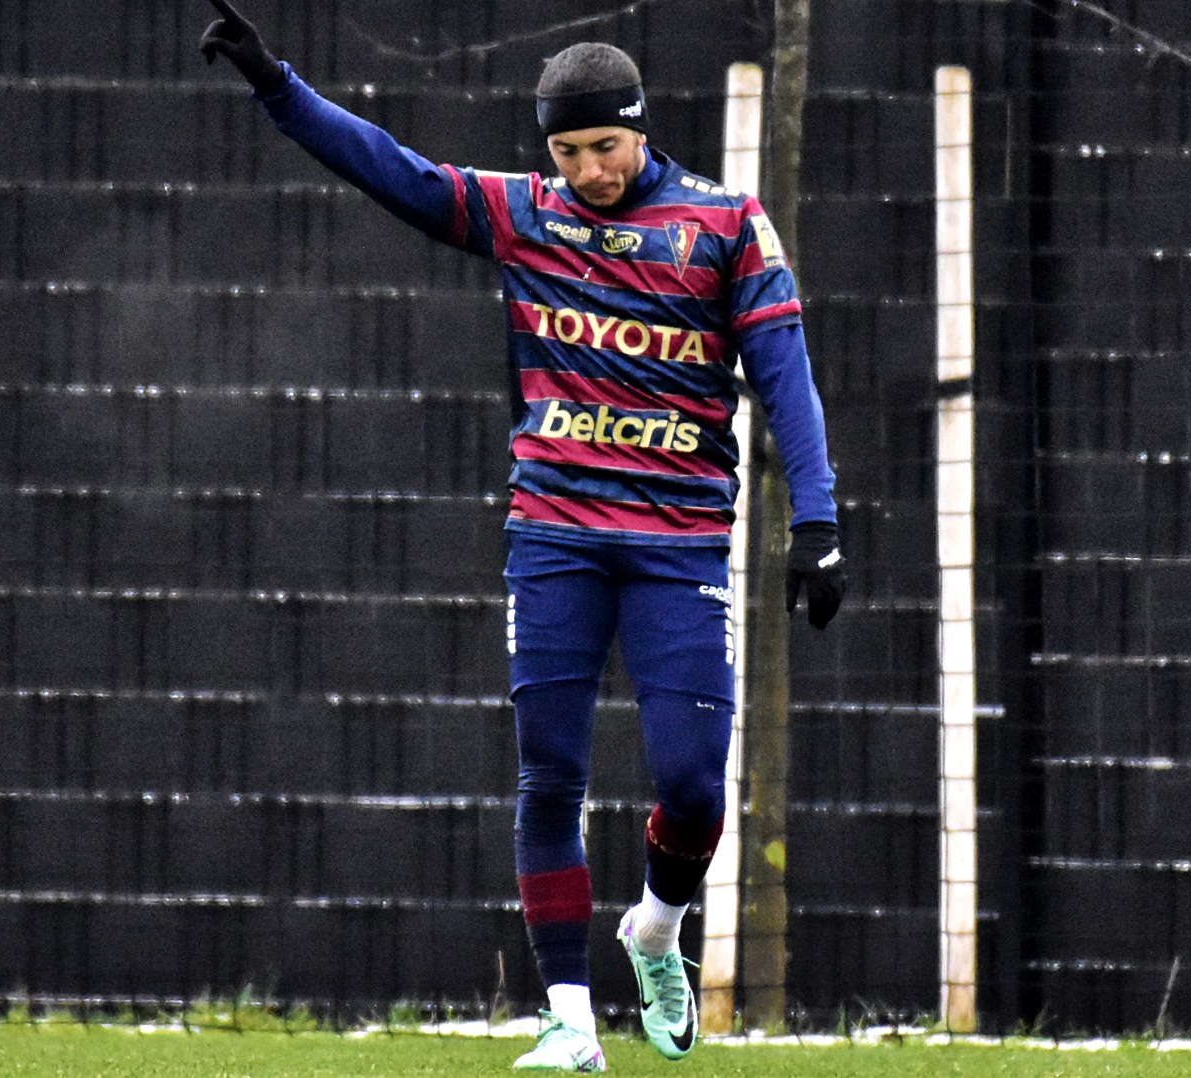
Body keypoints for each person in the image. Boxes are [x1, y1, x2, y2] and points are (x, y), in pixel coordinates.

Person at [201, 2, 847, 1070]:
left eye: (603, 147)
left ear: (640, 128)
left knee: (694, 786)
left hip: (680, 540)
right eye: (566, 151)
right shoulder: (524, 214)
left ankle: (655, 929)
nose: (587, 170)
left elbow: (788, 378)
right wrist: (278, 86)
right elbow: (391, 167)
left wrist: (816, 521)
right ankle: (569, 1020)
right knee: (550, 777)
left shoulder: (727, 225)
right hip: (554, 533)